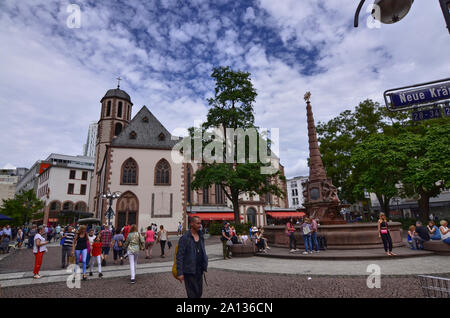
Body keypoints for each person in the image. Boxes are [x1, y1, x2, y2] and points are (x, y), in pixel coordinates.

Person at [176, 216, 208, 298]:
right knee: (192, 294)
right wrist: (179, 273)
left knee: (199, 293)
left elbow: (202, 250)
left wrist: (205, 263)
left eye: (200, 223)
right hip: (189, 270)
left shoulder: (201, 236)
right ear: (191, 224)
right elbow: (179, 255)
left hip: (199, 269)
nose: (200, 225)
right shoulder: (185, 238)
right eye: (197, 223)